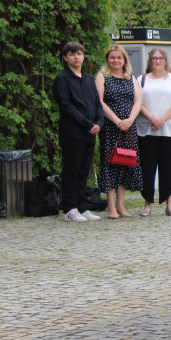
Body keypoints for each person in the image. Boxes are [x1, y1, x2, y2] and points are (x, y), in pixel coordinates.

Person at [52, 41, 104, 222]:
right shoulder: (62, 80)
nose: (76, 57)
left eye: (79, 53)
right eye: (72, 54)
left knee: (84, 170)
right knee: (71, 170)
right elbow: (67, 107)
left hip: (90, 133)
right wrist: (87, 123)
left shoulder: (89, 79)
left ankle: (83, 206)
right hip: (73, 132)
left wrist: (99, 122)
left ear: (83, 56)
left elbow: (97, 103)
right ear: (65, 57)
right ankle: (69, 208)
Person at [94, 44, 143, 219]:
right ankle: (111, 206)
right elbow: (99, 101)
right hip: (111, 126)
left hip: (129, 127)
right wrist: (116, 120)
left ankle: (121, 204)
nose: (116, 60)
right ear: (108, 59)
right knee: (111, 163)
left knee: (126, 162)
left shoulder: (131, 78)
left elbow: (138, 101)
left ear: (124, 60)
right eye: (112, 57)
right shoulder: (102, 77)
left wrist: (129, 120)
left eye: (119, 57)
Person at [137, 49, 171, 216]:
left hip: (169, 129)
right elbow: (139, 102)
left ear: (165, 60)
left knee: (168, 167)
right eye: (154, 58)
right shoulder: (142, 79)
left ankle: (169, 203)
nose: (157, 61)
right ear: (150, 61)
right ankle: (147, 204)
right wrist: (152, 118)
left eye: (160, 58)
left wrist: (162, 119)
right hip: (148, 129)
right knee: (148, 166)